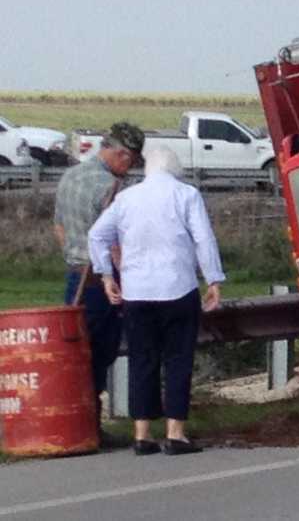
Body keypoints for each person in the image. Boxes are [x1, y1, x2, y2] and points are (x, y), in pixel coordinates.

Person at [88, 145, 224, 456]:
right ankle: (175, 433)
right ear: (175, 168)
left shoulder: (127, 198)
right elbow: (203, 237)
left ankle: (142, 434)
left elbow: (97, 235)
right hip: (178, 287)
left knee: (142, 359)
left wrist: (107, 276)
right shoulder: (186, 194)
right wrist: (213, 278)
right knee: (178, 359)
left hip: (136, 292)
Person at [52, 121, 144, 445]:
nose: (130, 167)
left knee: (75, 351)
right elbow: (114, 243)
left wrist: (71, 256)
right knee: (99, 353)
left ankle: (75, 421)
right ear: (120, 153)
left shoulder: (69, 177)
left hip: (74, 276)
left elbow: (59, 228)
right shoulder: (110, 188)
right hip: (102, 282)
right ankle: (90, 428)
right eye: (130, 160)